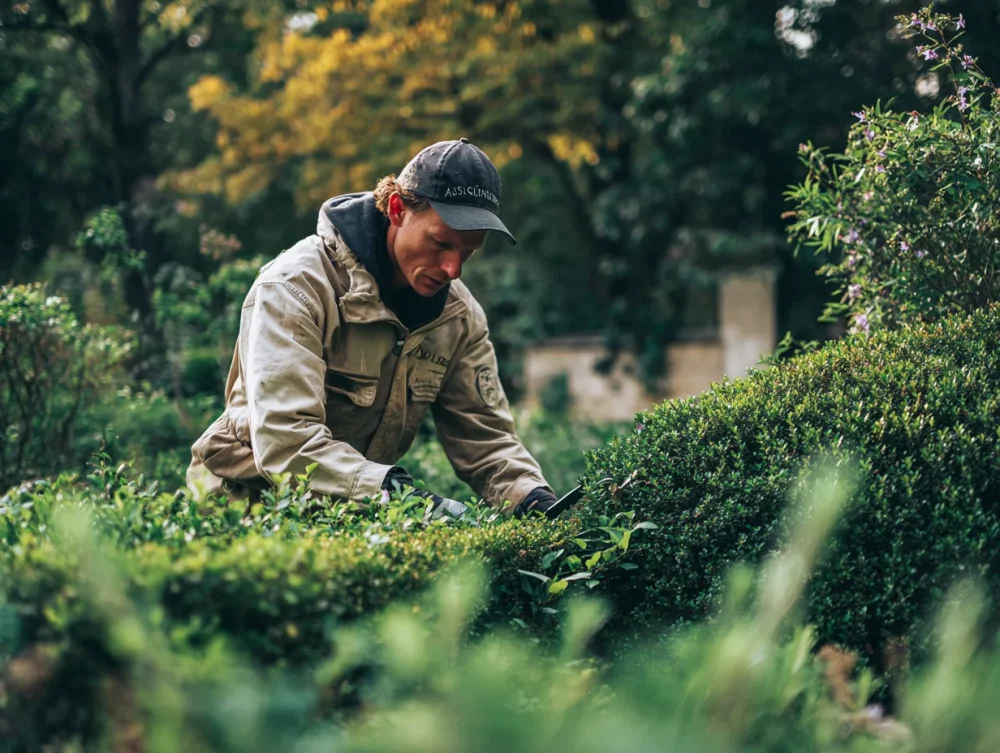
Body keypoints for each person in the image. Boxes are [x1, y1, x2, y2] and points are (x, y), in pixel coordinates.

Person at [186, 138, 560, 519]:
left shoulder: (458, 317)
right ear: (397, 209)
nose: (453, 269)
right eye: (440, 244)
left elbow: (488, 441)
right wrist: (400, 495)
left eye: (468, 251)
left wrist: (534, 499)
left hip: (353, 516)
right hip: (244, 512)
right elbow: (287, 441)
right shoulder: (295, 289)